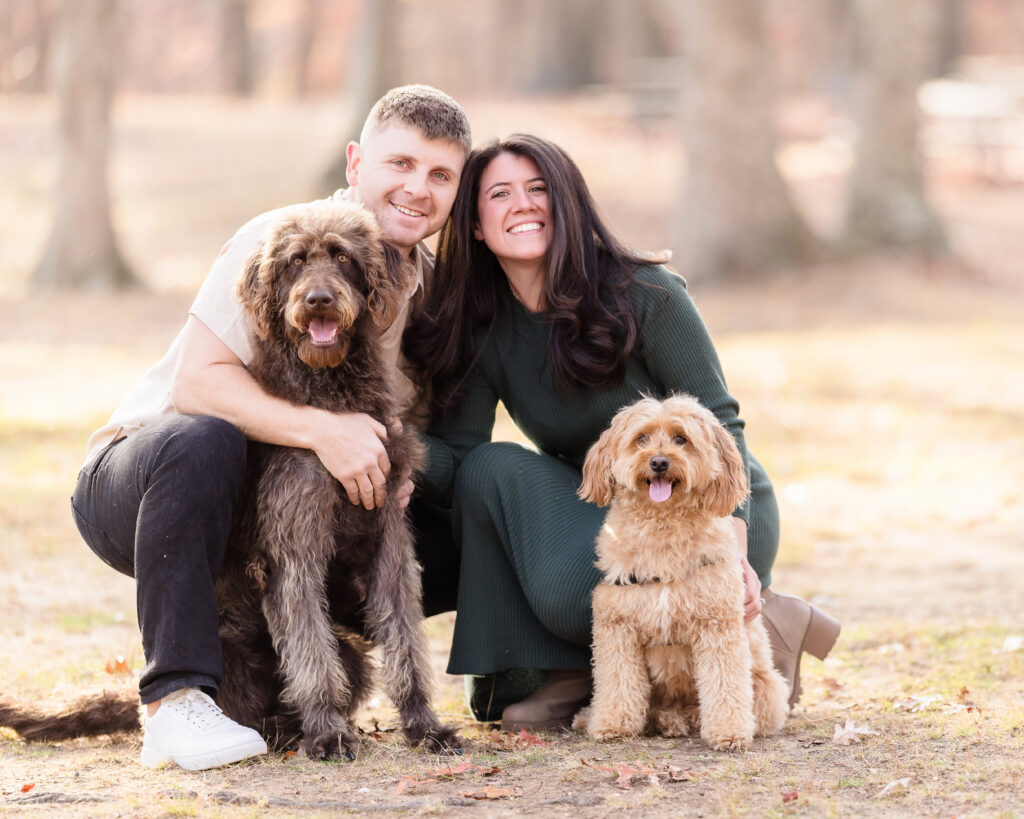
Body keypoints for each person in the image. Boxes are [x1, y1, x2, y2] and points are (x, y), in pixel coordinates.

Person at [70, 85, 472, 770]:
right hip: (145, 481)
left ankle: (356, 693)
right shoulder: (280, 237)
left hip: (269, 510)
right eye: (399, 163)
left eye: (439, 175)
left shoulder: (425, 281)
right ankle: (175, 700)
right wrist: (325, 432)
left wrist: (390, 464)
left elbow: (401, 414)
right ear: (354, 162)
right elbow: (197, 386)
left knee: (444, 518)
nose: (416, 188)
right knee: (207, 437)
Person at [406, 134, 841, 732]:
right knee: (488, 469)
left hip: (709, 506)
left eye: (539, 190)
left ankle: (757, 626)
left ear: (568, 204)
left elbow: (722, 420)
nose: (523, 204)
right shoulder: (483, 326)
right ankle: (563, 669)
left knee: (578, 594)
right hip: (614, 504)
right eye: (500, 194)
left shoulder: (647, 293)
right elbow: (457, 461)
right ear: (476, 225)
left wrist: (732, 550)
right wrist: (378, 441)